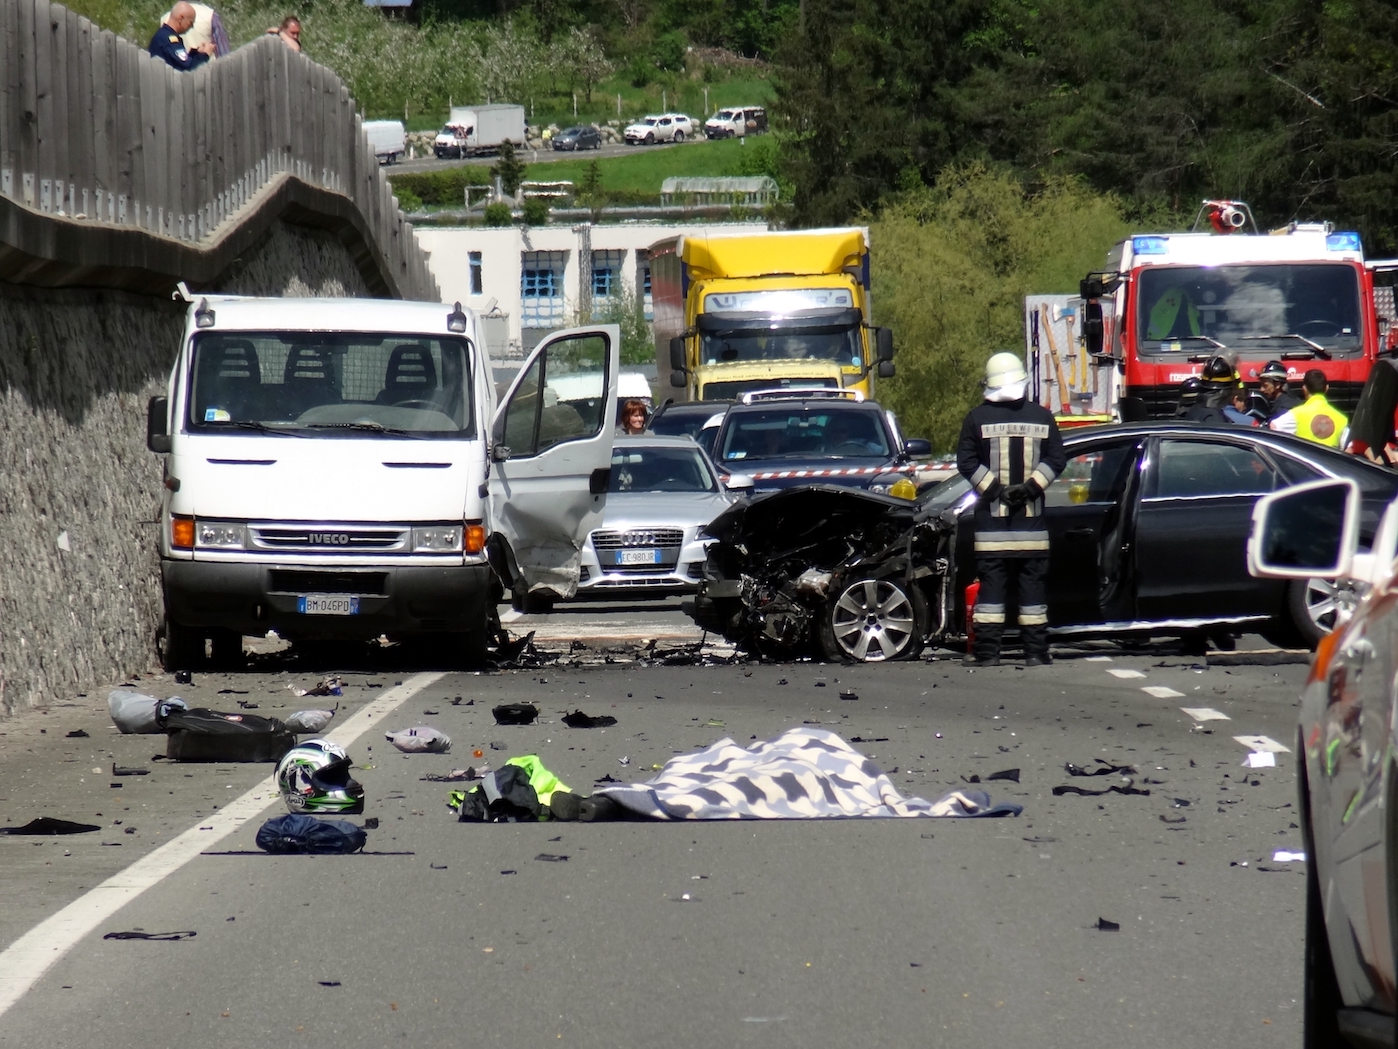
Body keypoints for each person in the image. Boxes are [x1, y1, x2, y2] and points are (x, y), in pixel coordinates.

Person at [957, 351, 1066, 668]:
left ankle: (988, 654)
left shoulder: (976, 419)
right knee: (1032, 594)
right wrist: (1030, 488)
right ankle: (1036, 653)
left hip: (993, 529)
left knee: (991, 594)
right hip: (1032, 529)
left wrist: (996, 491)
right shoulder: (1042, 417)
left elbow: (966, 463)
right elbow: (1056, 460)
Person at [1270, 369, 1348, 447]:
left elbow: (1274, 426)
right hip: (1329, 459)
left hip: (1302, 458)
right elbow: (1350, 447)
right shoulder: (1341, 419)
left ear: (1304, 389)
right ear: (1327, 388)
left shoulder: (1296, 414)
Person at [149, 2, 215, 70]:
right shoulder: (170, 42)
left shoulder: (163, 35)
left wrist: (196, 53)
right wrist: (204, 55)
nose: (191, 26)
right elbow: (189, 71)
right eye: (190, 22)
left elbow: (179, 64)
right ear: (181, 19)